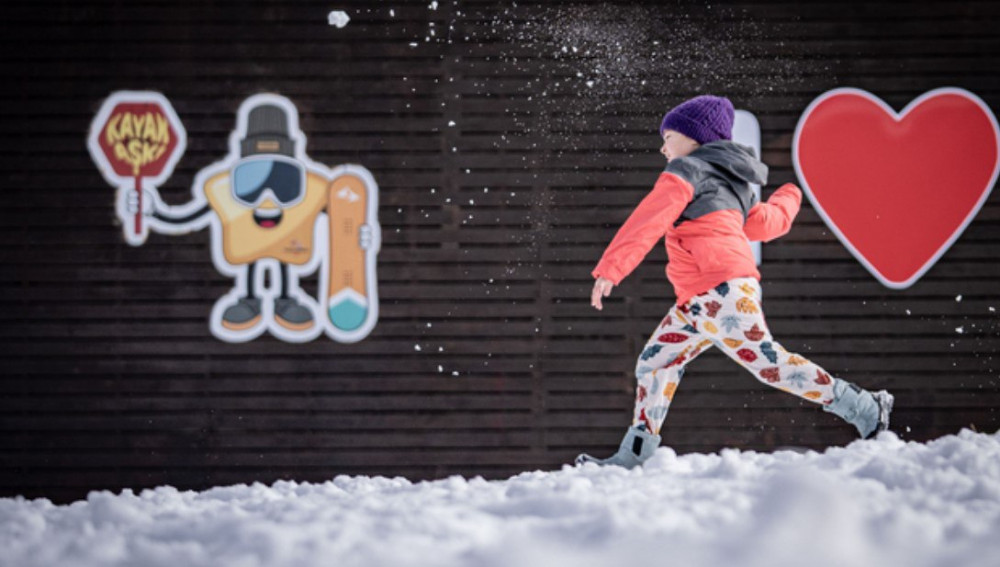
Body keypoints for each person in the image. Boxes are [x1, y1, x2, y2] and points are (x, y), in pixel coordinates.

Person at [576, 95, 893, 469]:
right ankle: (636, 453)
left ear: (695, 139)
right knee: (655, 362)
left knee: (768, 363)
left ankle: (864, 406)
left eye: (669, 136)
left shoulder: (684, 172)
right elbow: (767, 223)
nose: (663, 147)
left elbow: (649, 219)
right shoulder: (731, 184)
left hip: (719, 292)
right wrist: (790, 196)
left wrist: (611, 269)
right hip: (700, 299)